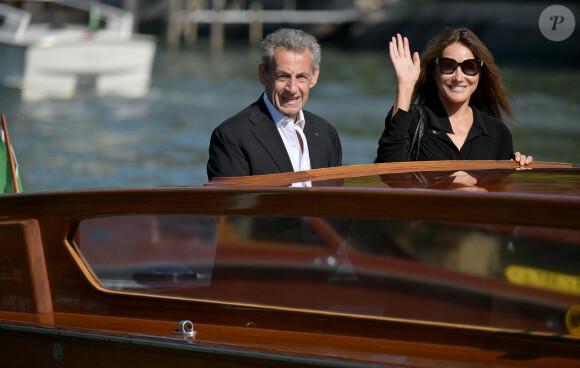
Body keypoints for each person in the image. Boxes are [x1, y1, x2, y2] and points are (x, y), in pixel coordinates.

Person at [375, 27, 532, 166]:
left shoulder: (497, 133)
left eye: (469, 67)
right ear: (434, 72)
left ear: (480, 74)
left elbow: (499, 195)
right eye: (448, 66)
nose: (458, 77)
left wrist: (517, 169)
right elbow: (388, 171)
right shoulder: (411, 121)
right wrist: (405, 84)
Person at [207, 28, 342, 181]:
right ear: (263, 75)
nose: (292, 88)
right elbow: (232, 203)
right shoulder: (231, 137)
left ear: (314, 77)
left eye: (301, 77)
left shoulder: (327, 134)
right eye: (283, 76)